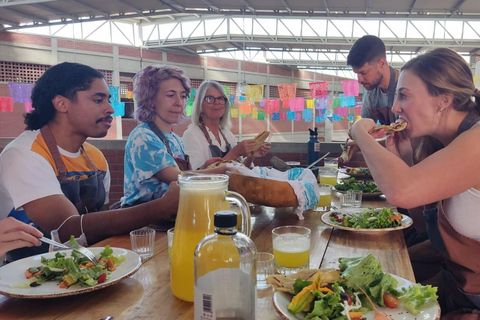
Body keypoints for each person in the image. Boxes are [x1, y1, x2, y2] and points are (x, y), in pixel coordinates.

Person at [0, 62, 179, 262]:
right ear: (61, 104)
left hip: (88, 269)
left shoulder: (95, 157)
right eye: (98, 100)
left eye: (108, 100)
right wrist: (163, 206)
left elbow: (101, 226)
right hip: (28, 278)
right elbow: (68, 230)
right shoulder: (24, 154)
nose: (110, 108)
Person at [348, 48, 480, 318]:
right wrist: (406, 160)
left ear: (443, 100)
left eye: (404, 96)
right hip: (456, 291)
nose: (395, 108)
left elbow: (401, 191)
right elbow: (425, 227)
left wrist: (361, 131)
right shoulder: (441, 143)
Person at [122, 66, 226, 207]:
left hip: (169, 215)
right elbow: (180, 179)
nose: (179, 103)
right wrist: (223, 171)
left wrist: (203, 168)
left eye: (182, 96)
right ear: (151, 99)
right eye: (171, 95)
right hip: (144, 223)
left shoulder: (175, 139)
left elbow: (185, 177)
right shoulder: (142, 137)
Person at [182, 80, 270, 170]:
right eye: (210, 98)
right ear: (200, 105)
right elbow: (196, 176)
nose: (216, 102)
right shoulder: (191, 135)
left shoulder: (227, 134)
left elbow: (241, 171)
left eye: (220, 98)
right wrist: (235, 152)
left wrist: (251, 156)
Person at [347, 35, 399, 125]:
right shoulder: (372, 92)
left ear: (381, 63)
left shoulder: (407, 87)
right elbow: (365, 124)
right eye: (357, 74)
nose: (359, 80)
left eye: (364, 73)